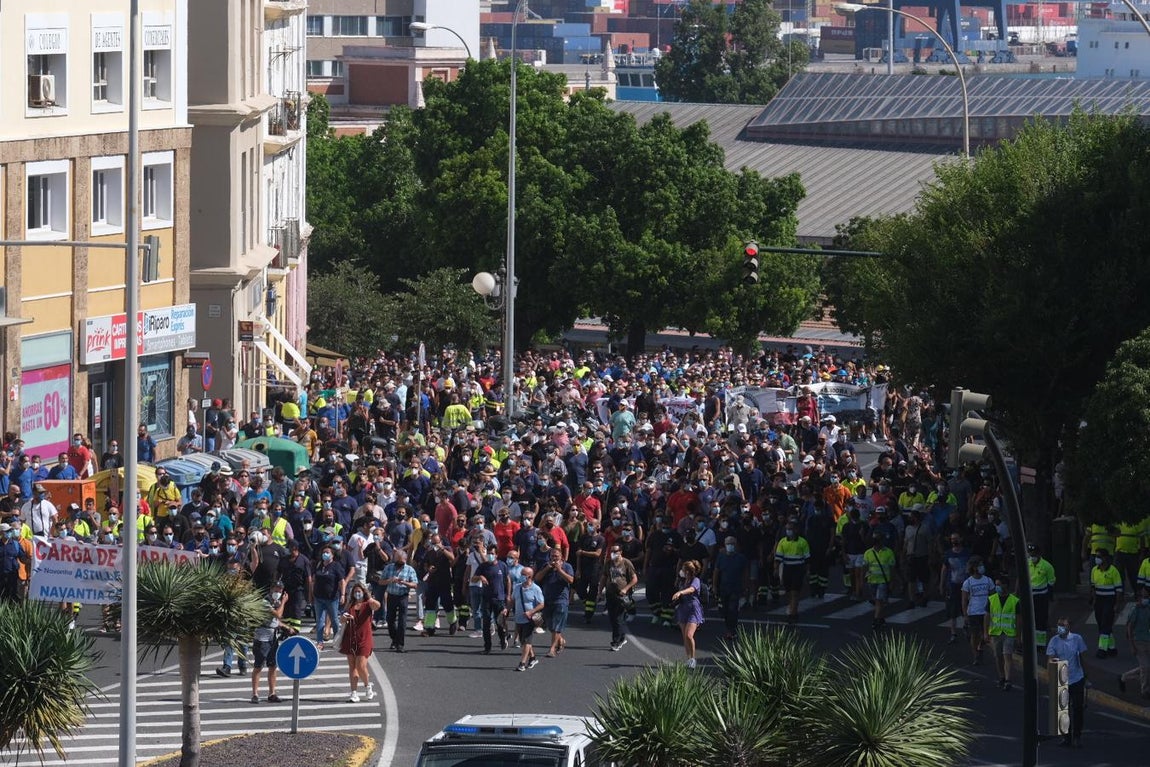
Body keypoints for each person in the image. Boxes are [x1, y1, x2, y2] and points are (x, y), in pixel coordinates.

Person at [1046, 616, 1089, 749]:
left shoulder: (1077, 639)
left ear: (1068, 626)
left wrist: (1086, 677)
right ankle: (1066, 737)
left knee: (1078, 708)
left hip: (1077, 678)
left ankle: (1077, 736)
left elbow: (1083, 657)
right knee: (1063, 710)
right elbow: (1050, 660)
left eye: (1063, 625)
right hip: (1062, 678)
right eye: (1059, 625)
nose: (1060, 628)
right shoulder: (1054, 641)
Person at [340, 582, 380, 702]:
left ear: (363, 592)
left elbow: (377, 606)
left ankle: (368, 686)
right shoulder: (350, 605)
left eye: (359, 591)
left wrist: (369, 597)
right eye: (355, 591)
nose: (357, 593)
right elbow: (342, 619)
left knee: (361, 665)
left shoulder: (368, 604)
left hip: (364, 638)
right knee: (352, 666)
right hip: (350, 638)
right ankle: (354, 692)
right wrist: (345, 618)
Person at [250, 585, 285, 705]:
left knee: (273, 665)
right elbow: (278, 614)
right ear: (270, 590)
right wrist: (284, 602)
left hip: (273, 637)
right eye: (275, 590)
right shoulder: (265, 602)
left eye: (280, 590)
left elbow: (276, 621)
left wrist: (286, 627)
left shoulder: (277, 602)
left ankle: (272, 693)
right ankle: (255, 694)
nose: (278, 592)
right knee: (259, 666)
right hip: (262, 638)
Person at [600, 542, 638, 651]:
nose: (612, 553)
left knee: (618, 618)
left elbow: (634, 579)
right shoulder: (608, 563)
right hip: (610, 593)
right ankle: (621, 637)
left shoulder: (626, 563)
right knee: (612, 618)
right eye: (611, 551)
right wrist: (600, 592)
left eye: (615, 551)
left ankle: (616, 642)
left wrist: (625, 589)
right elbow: (604, 577)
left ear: (620, 552)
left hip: (622, 594)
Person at [537, 548, 574, 657]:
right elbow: (537, 578)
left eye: (556, 556)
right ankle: (560, 640)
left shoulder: (567, 566)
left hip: (561, 600)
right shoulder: (546, 566)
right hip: (547, 600)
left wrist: (559, 570)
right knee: (551, 626)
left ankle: (552, 649)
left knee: (557, 626)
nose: (554, 558)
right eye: (552, 556)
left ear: (561, 557)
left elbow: (571, 580)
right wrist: (547, 568)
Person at [712, 535, 748, 641]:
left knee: (733, 609)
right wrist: (714, 586)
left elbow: (745, 573)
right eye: (728, 544)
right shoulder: (721, 557)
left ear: (736, 545)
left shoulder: (741, 558)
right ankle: (729, 627)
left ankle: (731, 630)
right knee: (725, 610)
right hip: (724, 588)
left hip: (736, 588)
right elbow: (716, 572)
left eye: (732, 544)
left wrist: (746, 587)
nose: (730, 546)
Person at [381, 550, 418, 653]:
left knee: (402, 621)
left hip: (403, 596)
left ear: (405, 561)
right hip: (392, 596)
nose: (399, 565)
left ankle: (400, 644)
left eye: (401, 563)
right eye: (397, 562)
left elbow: (415, 584)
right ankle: (394, 638)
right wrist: (390, 580)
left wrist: (405, 583)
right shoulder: (389, 568)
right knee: (390, 619)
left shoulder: (409, 569)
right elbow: (381, 581)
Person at [774, 517, 809, 621]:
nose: (788, 531)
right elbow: (778, 557)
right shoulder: (782, 542)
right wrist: (776, 569)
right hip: (787, 569)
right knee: (789, 592)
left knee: (795, 592)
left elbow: (807, 559)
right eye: (787, 529)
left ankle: (793, 614)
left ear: (796, 530)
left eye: (790, 529)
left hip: (798, 569)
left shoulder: (802, 542)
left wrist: (808, 571)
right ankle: (793, 609)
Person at [987, 574, 1020, 690]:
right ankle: (1002, 677)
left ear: (1005, 585)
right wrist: (986, 633)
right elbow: (987, 616)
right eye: (996, 585)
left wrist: (1018, 635)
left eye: (999, 584)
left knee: (1007, 656)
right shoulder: (991, 599)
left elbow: (1018, 619)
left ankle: (1008, 680)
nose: (997, 587)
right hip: (996, 633)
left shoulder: (1014, 601)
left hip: (1009, 633)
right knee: (998, 657)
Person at [1090, 549, 1123, 658]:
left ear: (1105, 558)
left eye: (1099, 556)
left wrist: (1117, 604)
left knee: (1105, 623)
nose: (1097, 558)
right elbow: (1093, 587)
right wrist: (1094, 600)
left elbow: (1118, 589)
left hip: (1109, 600)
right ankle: (1112, 648)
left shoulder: (1113, 571)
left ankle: (1102, 649)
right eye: (1096, 556)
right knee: (1102, 624)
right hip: (1099, 600)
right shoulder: (1094, 570)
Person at [1119, 585, 1150, 700]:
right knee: (1146, 667)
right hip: (1138, 641)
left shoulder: (1148, 608)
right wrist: (1132, 645)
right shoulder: (1135, 610)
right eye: (1143, 596)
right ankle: (1145, 690)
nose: (1145, 599)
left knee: (1145, 667)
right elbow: (1129, 627)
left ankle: (1124, 677)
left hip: (1148, 639)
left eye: (1147, 596)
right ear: (1138, 598)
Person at [962, 555, 993, 665]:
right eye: (979, 565)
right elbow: (964, 600)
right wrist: (965, 615)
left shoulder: (988, 580)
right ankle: (976, 655)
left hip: (985, 612)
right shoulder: (968, 582)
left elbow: (993, 596)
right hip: (973, 612)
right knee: (974, 634)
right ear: (974, 567)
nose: (981, 567)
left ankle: (980, 647)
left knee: (984, 634)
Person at [672, 559, 704, 668]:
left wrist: (680, 592)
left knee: (689, 635)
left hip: (693, 609)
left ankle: (693, 658)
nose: (681, 571)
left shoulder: (696, 580)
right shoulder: (682, 581)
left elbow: (691, 589)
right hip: (682, 609)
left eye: (683, 569)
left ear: (687, 571)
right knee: (684, 636)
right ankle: (689, 658)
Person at [513, 567, 544, 671]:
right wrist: (506, 610)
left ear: (529, 576)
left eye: (523, 574)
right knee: (523, 641)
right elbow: (512, 600)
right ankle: (533, 658)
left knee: (527, 641)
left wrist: (531, 612)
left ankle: (522, 663)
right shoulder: (517, 587)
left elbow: (541, 604)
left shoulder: (536, 589)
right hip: (519, 618)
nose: (521, 576)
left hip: (529, 619)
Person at [864, 533, 895, 631]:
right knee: (878, 601)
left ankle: (876, 619)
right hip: (872, 581)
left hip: (883, 581)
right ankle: (881, 618)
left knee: (879, 600)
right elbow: (865, 567)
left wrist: (892, 582)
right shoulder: (868, 553)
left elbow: (892, 568)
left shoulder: (889, 552)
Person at [1028, 543, 1056, 651]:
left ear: (1039, 554)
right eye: (1030, 554)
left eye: (1034, 554)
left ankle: (1040, 644)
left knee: (1041, 620)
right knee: (1030, 619)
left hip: (1041, 597)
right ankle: (1031, 642)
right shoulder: (1027, 564)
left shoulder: (1047, 566)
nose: (1032, 556)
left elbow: (1051, 582)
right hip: (1030, 597)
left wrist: (1050, 596)